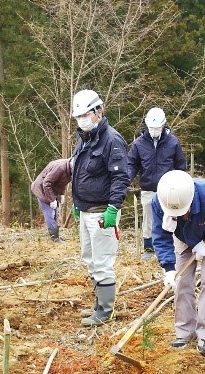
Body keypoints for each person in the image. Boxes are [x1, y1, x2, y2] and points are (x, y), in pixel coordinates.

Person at [151, 170, 205, 357]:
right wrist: (168, 268)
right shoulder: (159, 201)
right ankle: (184, 332)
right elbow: (160, 236)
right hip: (183, 239)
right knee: (181, 283)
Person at [69, 89, 130, 326]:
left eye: (86, 115)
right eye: (79, 117)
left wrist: (113, 209)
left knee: (103, 261)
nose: (82, 120)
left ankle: (106, 310)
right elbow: (79, 173)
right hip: (85, 210)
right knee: (90, 259)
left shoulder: (112, 140)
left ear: (99, 111)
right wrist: (77, 204)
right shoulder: (84, 139)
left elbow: (120, 178)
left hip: (103, 212)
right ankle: (98, 303)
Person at [127, 107, 187, 260]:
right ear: (147, 126)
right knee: (149, 219)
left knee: (171, 217)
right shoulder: (138, 144)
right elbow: (132, 164)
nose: (154, 130)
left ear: (163, 126)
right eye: (152, 128)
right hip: (148, 188)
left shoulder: (172, 142)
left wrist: (182, 184)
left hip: (169, 189)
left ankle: (172, 247)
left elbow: (180, 165)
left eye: (157, 127)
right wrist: (126, 179)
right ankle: (148, 247)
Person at [30, 158, 71, 243]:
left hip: (52, 190)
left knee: (55, 212)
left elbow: (62, 183)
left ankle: (56, 235)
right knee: (49, 213)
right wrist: (52, 200)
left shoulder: (70, 171)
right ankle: (54, 238)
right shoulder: (60, 168)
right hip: (41, 189)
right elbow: (46, 183)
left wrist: (61, 194)